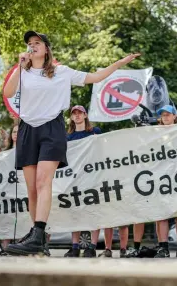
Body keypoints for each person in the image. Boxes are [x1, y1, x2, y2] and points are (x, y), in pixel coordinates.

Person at [4, 30, 140, 256]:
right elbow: (8, 92)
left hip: (51, 128)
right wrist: (20, 66)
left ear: (46, 48)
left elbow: (95, 77)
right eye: (29, 43)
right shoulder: (23, 72)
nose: (32, 46)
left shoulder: (61, 71)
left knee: (42, 181)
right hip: (28, 128)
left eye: (37, 42)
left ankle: (38, 233)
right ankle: (38, 240)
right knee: (31, 189)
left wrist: (119, 63)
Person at [64, 105, 102, 258]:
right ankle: (75, 246)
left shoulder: (95, 132)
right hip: (75, 179)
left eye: (80, 113)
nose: (77, 116)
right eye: (75, 114)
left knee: (92, 211)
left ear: (86, 115)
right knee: (75, 212)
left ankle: (92, 246)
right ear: (72, 118)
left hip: (93, 177)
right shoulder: (68, 138)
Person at [153, 105, 177, 258]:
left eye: (168, 114)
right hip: (161, 178)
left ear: (174, 116)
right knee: (162, 213)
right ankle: (163, 247)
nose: (165, 117)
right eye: (163, 115)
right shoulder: (155, 134)